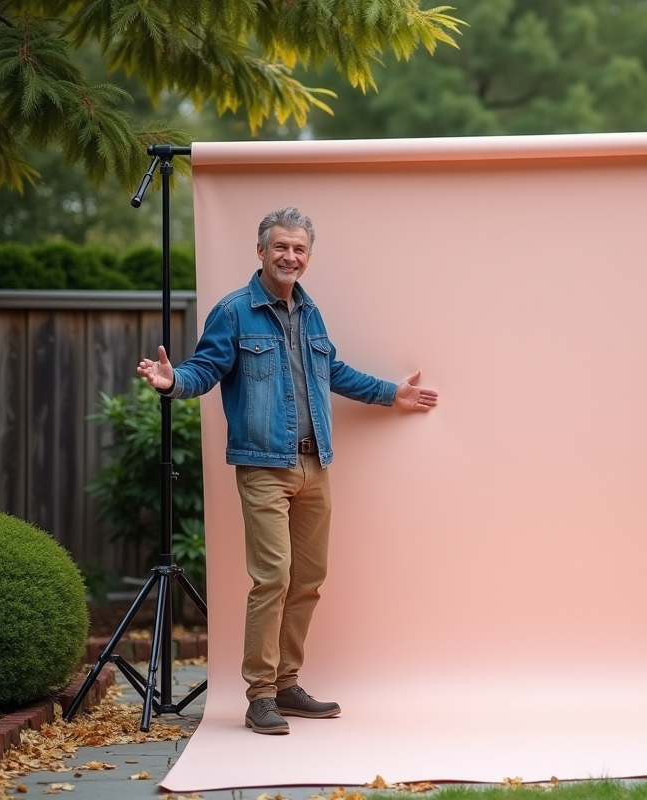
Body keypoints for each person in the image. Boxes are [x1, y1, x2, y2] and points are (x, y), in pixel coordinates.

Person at [137, 207, 438, 735]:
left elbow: (334, 371)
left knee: (308, 579)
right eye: (280, 247)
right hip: (264, 466)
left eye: (299, 249)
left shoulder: (312, 313)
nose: (289, 256)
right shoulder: (234, 312)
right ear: (260, 251)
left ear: (308, 256)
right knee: (272, 577)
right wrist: (172, 380)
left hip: (315, 463)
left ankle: (287, 684)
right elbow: (205, 369)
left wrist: (393, 394)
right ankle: (259, 696)